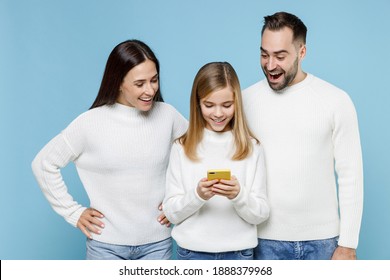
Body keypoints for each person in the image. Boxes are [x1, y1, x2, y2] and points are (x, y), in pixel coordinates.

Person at [31, 39, 188, 260]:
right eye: (140, 83)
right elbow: (43, 164)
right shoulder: (89, 123)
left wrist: (180, 200)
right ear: (118, 82)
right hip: (105, 248)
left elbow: (200, 155)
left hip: (157, 245)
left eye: (154, 80)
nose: (150, 90)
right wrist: (73, 213)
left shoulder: (168, 115)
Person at [242, 12, 363, 260]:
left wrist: (348, 244)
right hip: (262, 241)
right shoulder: (244, 101)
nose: (270, 65)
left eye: (280, 56)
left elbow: (351, 174)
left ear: (302, 52)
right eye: (264, 54)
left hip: (324, 243)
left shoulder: (335, 100)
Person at [163, 62, 270, 260]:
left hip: (239, 255)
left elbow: (261, 214)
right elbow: (171, 214)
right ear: (197, 103)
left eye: (227, 105)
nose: (218, 114)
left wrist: (239, 195)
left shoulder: (252, 147)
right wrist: (198, 195)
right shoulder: (181, 147)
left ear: (236, 102)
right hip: (192, 254)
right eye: (209, 105)